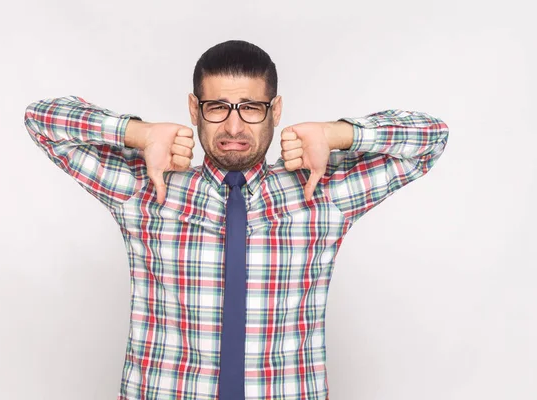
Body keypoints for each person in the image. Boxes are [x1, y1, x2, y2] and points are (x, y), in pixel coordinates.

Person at [23, 39, 449, 400]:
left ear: (275, 109)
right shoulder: (144, 186)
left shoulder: (323, 191)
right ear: (194, 108)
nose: (233, 125)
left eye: (250, 107)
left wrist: (339, 133)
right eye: (217, 107)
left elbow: (431, 138)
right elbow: (41, 120)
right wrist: (139, 133)